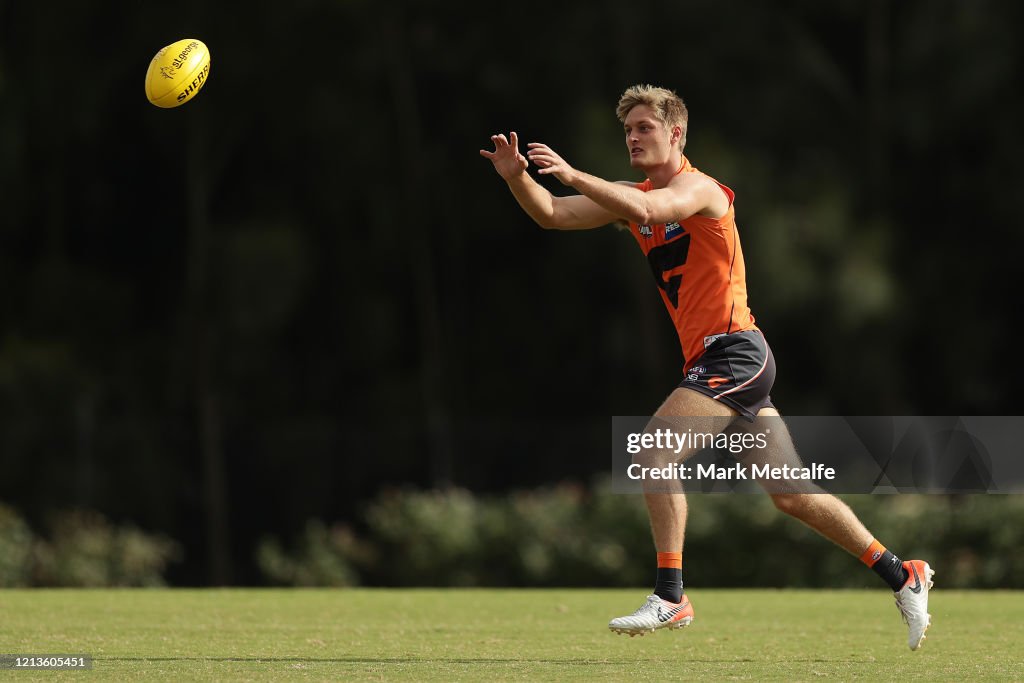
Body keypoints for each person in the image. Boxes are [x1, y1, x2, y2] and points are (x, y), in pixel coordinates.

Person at [480, 84, 934, 650]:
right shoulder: (631, 194)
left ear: (677, 134)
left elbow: (649, 209)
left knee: (651, 452)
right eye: (628, 130)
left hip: (734, 352)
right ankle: (903, 574)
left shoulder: (699, 188)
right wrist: (516, 178)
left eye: (645, 127)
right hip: (717, 359)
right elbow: (551, 215)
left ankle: (671, 596)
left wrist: (571, 173)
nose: (633, 137)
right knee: (792, 496)